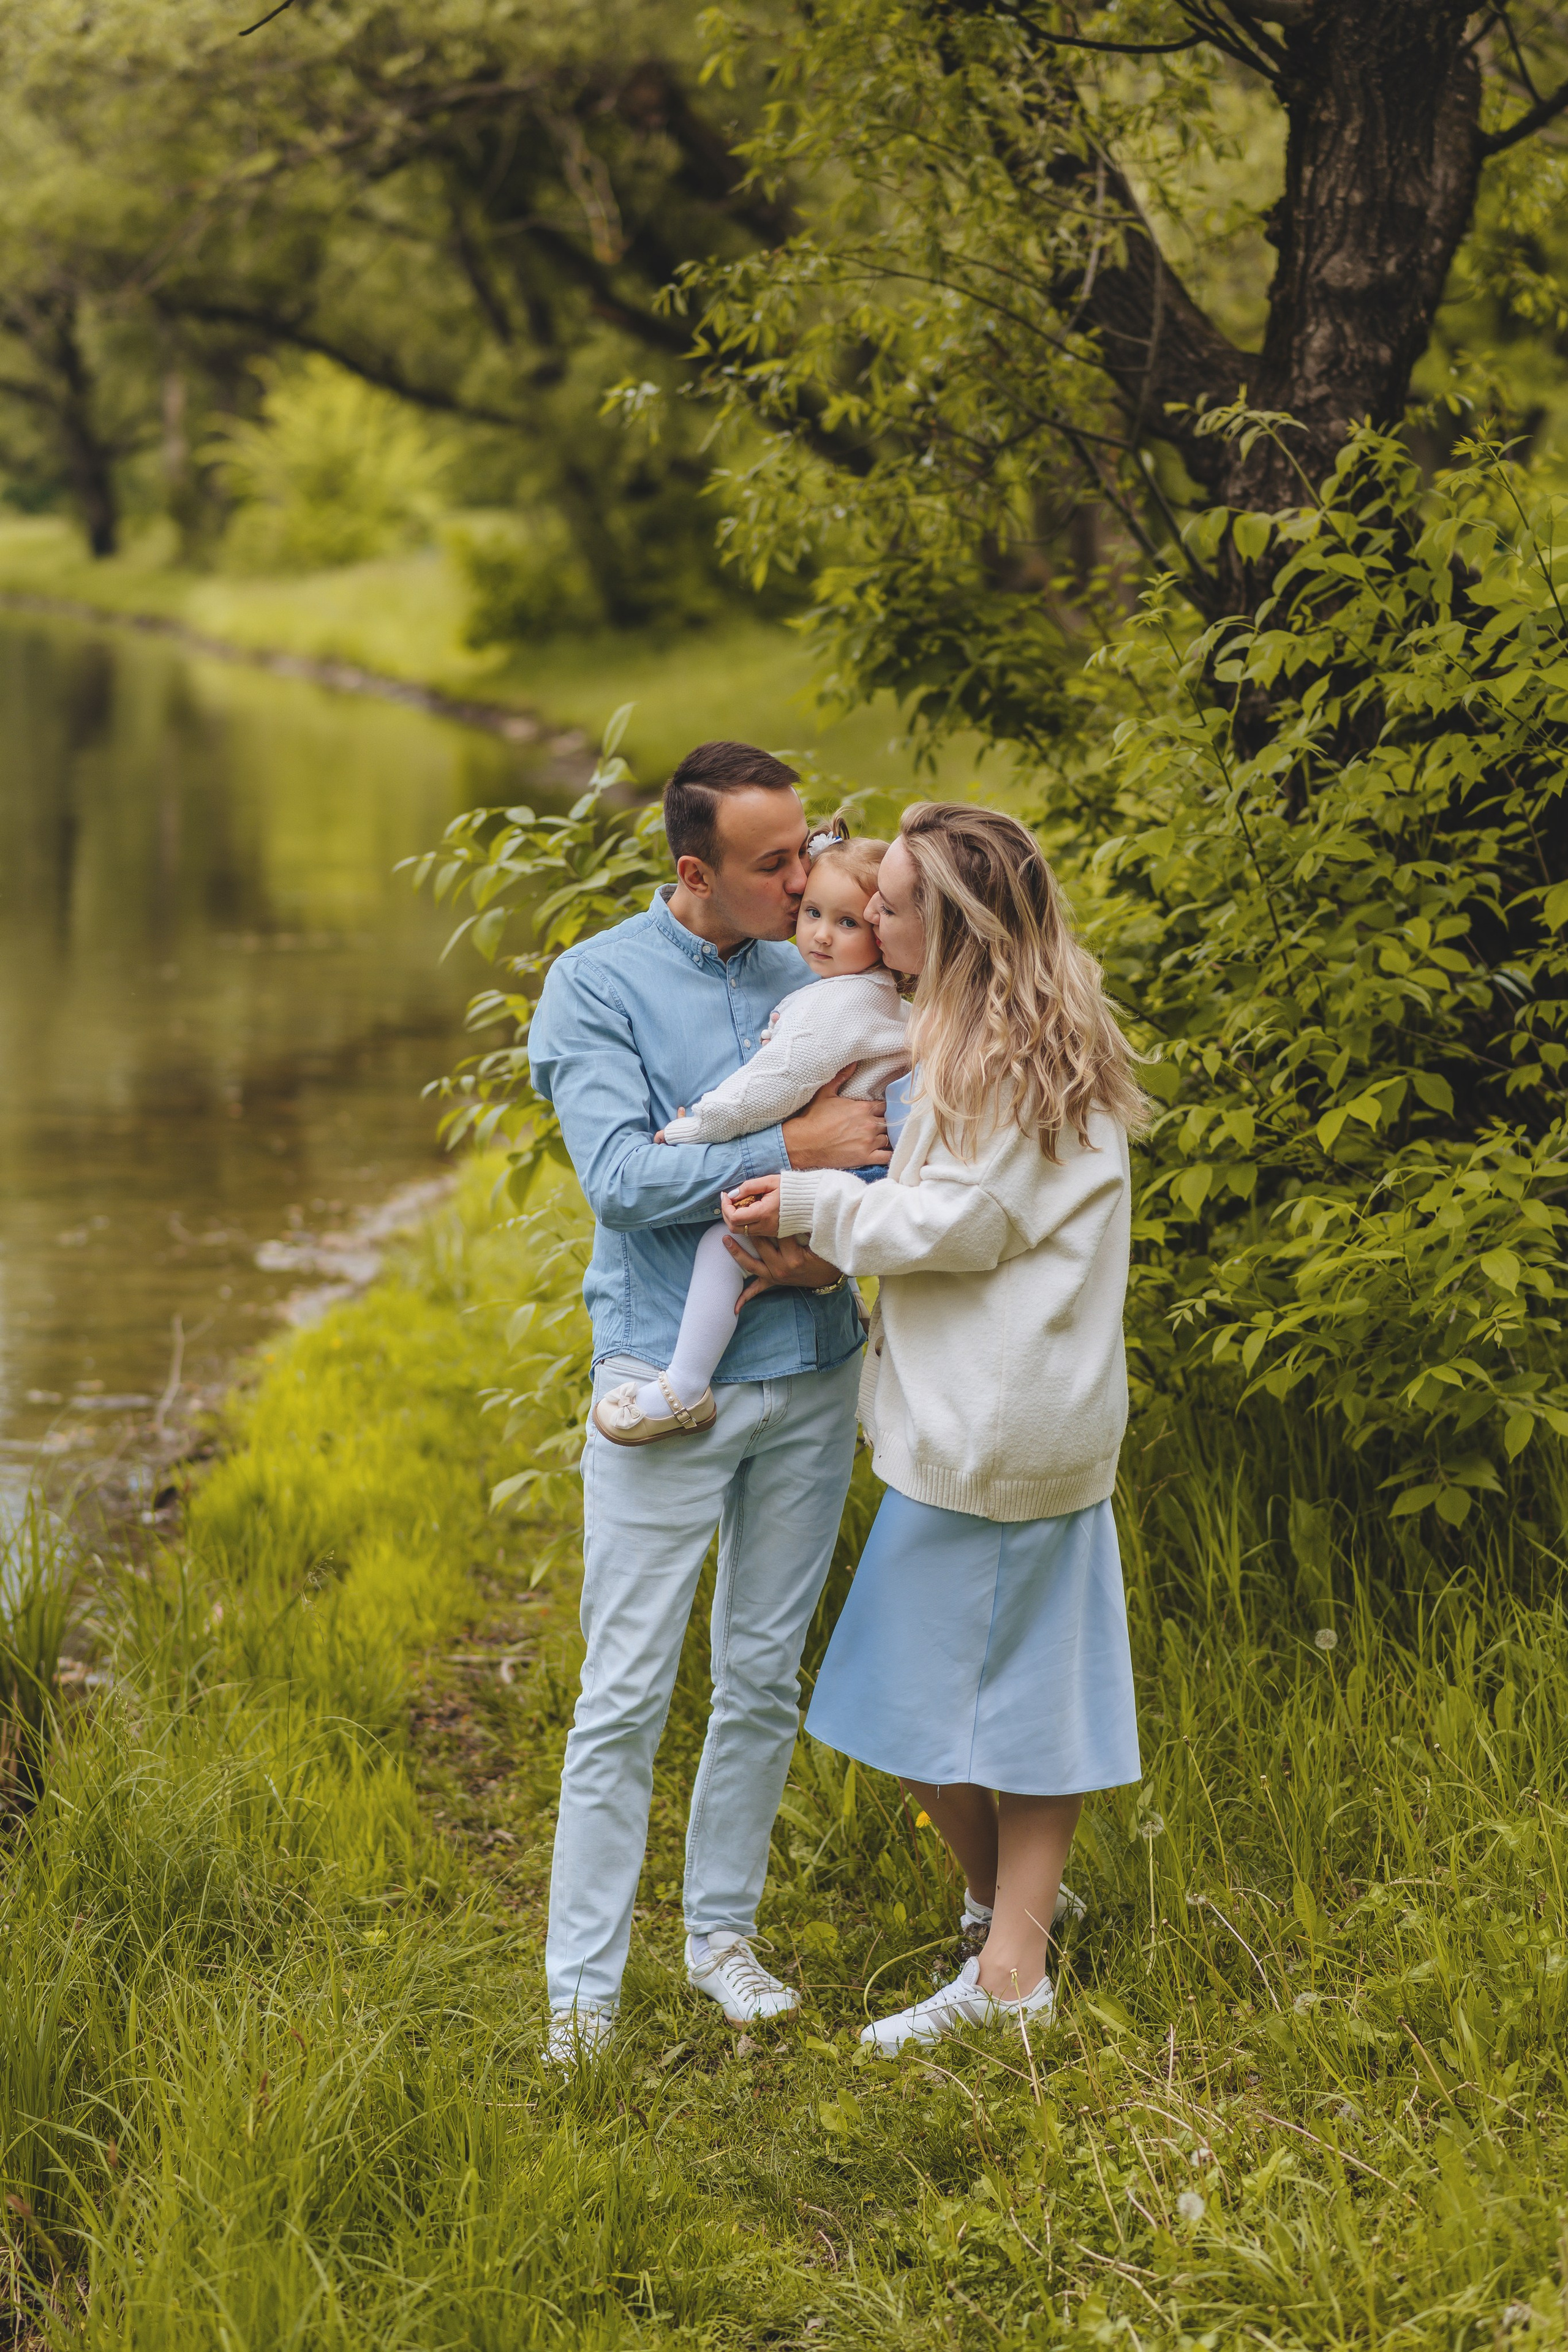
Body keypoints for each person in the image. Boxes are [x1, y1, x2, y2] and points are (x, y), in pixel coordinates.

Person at [723, 802, 1145, 2055]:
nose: (862, 917)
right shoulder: (977, 1028)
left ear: (948, 925)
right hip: (995, 1417)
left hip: (1002, 1428)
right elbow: (956, 1226)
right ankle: (1012, 1915)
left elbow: (961, 1229)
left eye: (891, 902)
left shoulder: (1004, 1053)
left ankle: (1012, 1971)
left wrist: (807, 1200)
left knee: (942, 1698)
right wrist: (834, 1246)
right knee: (935, 1695)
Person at [527, 740, 889, 2065]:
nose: (807, 884)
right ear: (695, 872)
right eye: (773, 865)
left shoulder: (832, 970)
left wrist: (829, 1232)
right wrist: (789, 1147)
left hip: (809, 1371)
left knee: (757, 1678)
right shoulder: (595, 985)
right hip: (658, 1387)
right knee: (622, 1694)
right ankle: (581, 1994)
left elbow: (898, 1150)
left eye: (807, 850)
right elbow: (623, 1180)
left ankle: (718, 1939)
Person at [591, 821, 910, 1446]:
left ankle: (683, 1387)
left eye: (847, 924)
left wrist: (695, 1127)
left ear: (881, 930)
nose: (818, 934)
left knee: (724, 1242)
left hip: (843, 1173)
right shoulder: (874, 998)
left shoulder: (837, 1004)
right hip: (864, 1176)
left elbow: (773, 1084)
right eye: (812, 912)